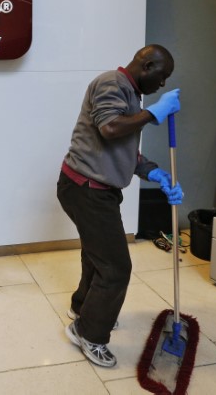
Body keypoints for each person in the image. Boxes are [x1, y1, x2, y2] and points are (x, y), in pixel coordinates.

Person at [57, 44, 183, 368]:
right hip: (87, 190)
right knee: (116, 267)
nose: (163, 85)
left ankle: (83, 307)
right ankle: (88, 333)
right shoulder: (112, 83)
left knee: (98, 256)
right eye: (163, 76)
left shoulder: (131, 94)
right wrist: (155, 113)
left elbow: (125, 150)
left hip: (92, 189)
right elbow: (110, 129)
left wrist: (154, 171)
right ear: (148, 64)